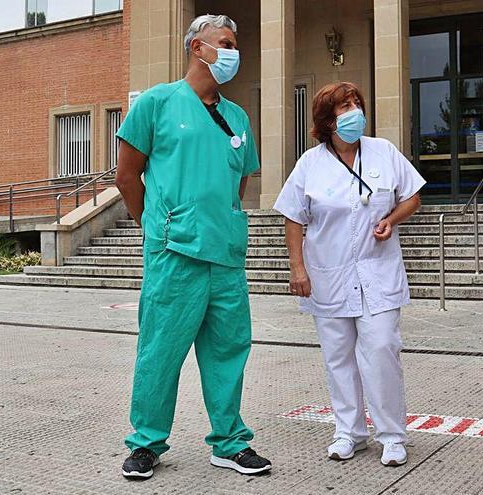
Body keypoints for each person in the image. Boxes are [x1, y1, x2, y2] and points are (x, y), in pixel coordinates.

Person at [114, 14, 271, 480]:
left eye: (234, 43)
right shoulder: (157, 103)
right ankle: (146, 443)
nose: (231, 52)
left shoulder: (238, 117)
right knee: (159, 351)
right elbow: (127, 176)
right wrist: (155, 225)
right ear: (196, 47)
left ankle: (229, 442)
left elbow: (239, 181)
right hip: (174, 254)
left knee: (228, 351)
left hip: (224, 255)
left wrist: (217, 221)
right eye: (223, 42)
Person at [273, 82, 425, 467]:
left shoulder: (383, 152)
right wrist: (297, 268)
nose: (354, 109)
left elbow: (412, 197)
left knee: (381, 351)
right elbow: (292, 216)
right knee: (338, 357)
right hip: (329, 275)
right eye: (345, 105)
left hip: (378, 272)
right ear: (328, 119)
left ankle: (391, 435)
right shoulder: (310, 163)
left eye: (356, 102)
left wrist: (391, 219)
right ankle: (349, 432)